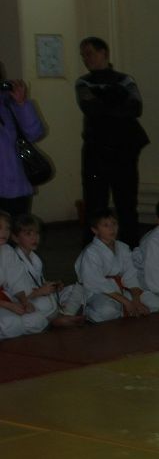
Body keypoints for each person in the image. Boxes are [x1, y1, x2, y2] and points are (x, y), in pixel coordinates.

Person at [75, 37, 149, 247]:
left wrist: (103, 100)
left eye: (89, 53)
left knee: (126, 201)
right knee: (94, 202)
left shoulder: (125, 80)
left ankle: (130, 248)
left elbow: (135, 108)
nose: (86, 58)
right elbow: (91, 108)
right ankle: (92, 250)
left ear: (103, 53)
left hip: (123, 149)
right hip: (96, 149)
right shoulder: (83, 82)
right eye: (83, 55)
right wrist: (117, 100)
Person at [75, 209, 159, 323]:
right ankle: (87, 312)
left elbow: (131, 276)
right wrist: (127, 302)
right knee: (108, 311)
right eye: (106, 225)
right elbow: (96, 283)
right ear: (95, 230)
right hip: (99, 293)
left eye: (114, 224)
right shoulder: (91, 252)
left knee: (157, 303)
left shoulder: (123, 248)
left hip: (122, 289)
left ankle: (124, 309)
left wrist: (136, 300)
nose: (112, 228)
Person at [10, 214, 84, 326]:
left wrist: (52, 286)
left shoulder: (34, 257)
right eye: (28, 234)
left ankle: (65, 314)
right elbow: (15, 296)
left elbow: (38, 282)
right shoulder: (13, 261)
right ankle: (59, 318)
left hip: (39, 295)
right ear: (15, 238)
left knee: (76, 288)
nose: (34, 238)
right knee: (43, 303)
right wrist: (40, 292)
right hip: (26, 300)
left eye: (37, 233)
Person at [0, 68, 46, 218]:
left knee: (17, 229)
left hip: (15, 186)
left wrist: (21, 103)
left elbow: (35, 134)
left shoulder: (9, 104)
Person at [0, 209, 51, 338]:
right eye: (0, 228)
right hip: (3, 303)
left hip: (5, 301)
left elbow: (16, 280)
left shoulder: (6, 251)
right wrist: (9, 305)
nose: (4, 232)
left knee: (37, 320)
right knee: (12, 323)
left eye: (7, 228)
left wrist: (24, 301)